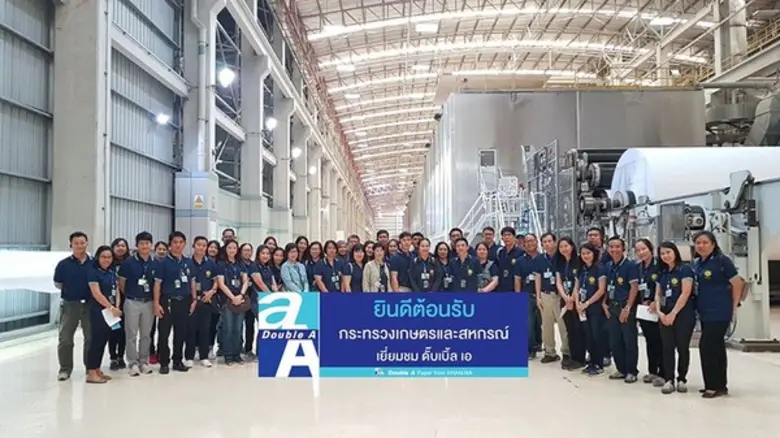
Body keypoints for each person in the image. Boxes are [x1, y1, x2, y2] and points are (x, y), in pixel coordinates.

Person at [692, 231, 744, 399]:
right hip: (705, 311)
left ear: (713, 244)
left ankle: (712, 385)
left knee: (707, 346)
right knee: (717, 347)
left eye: (705, 242)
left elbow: (737, 282)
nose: (701, 246)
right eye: (698, 243)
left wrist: (734, 305)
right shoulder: (698, 263)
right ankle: (720, 385)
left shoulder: (722, 261)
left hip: (720, 310)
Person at [655, 241, 696, 394]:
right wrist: (659, 312)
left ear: (675, 252)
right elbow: (658, 294)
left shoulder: (685, 269)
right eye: (662, 253)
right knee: (667, 348)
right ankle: (669, 379)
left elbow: (685, 293)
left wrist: (673, 313)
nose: (665, 256)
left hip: (683, 314)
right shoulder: (662, 272)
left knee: (682, 347)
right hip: (664, 315)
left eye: (668, 252)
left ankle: (682, 379)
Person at [153, 231, 196, 374]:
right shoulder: (163, 263)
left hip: (184, 301)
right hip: (167, 301)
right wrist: (156, 303)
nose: (178, 245)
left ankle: (177, 360)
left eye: (181, 242)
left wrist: (194, 299)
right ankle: (164, 362)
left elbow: (192, 282)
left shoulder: (188, 262)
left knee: (181, 333)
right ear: (170, 245)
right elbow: (157, 284)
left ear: (184, 244)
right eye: (175, 242)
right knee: (164, 333)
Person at [53, 231, 93, 382]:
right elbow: (58, 284)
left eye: (82, 243)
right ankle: (65, 369)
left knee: (90, 338)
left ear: (87, 243)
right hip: (70, 305)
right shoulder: (63, 265)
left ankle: (90, 368)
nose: (80, 246)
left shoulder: (94, 263)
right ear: (71, 245)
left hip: (89, 305)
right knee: (65, 339)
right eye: (76, 243)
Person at [118, 231, 156, 376]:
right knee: (131, 334)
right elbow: (122, 284)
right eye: (141, 243)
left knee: (146, 334)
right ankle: (133, 363)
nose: (144, 246)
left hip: (149, 302)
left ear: (151, 245)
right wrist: (130, 295)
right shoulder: (128, 263)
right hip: (132, 301)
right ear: (136, 245)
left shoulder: (155, 263)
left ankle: (143, 362)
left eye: (147, 243)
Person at [605, 236, 640, 383]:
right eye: (611, 247)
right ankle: (621, 369)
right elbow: (607, 287)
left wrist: (627, 308)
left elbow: (634, 288)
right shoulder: (608, 266)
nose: (614, 249)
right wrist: (604, 303)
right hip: (612, 307)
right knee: (615, 341)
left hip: (625, 307)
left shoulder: (630, 266)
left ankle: (631, 371)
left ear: (623, 249)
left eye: (617, 246)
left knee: (629, 340)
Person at [85, 245, 121, 384]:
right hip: (99, 311)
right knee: (96, 341)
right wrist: (111, 307)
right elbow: (96, 293)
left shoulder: (111, 272)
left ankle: (97, 369)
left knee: (104, 341)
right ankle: (91, 372)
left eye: (109, 257)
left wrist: (117, 307)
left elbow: (116, 289)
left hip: (111, 312)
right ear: (98, 258)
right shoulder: (93, 272)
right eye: (103, 257)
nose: (107, 260)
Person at [536, 232, 569, 365]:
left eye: (549, 241)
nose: (547, 244)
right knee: (546, 326)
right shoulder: (539, 259)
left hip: (560, 296)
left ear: (555, 242)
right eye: (544, 242)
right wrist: (538, 296)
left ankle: (566, 352)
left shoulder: (562, 257)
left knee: (563, 326)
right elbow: (538, 277)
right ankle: (550, 352)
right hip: (545, 295)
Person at [574, 243, 607, 375]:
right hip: (582, 308)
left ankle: (598, 363)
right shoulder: (581, 269)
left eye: (588, 253)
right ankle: (591, 362)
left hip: (595, 308)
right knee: (588, 336)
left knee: (596, 336)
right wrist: (578, 303)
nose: (586, 256)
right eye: (583, 254)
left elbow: (601, 290)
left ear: (594, 254)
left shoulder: (600, 268)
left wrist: (587, 303)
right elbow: (576, 288)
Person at [635, 238, 664, 386]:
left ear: (650, 249)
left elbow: (663, 285)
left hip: (658, 308)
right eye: (638, 250)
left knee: (660, 341)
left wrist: (655, 302)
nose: (641, 252)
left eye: (644, 249)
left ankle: (663, 372)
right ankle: (652, 370)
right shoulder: (638, 268)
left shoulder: (659, 266)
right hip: (644, 310)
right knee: (650, 340)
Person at [215, 239, 250, 366]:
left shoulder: (241, 264)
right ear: (225, 249)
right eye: (229, 248)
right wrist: (232, 297)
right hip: (227, 301)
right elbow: (221, 283)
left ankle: (237, 354)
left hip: (240, 300)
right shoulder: (221, 264)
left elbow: (245, 281)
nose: (232, 250)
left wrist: (240, 295)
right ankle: (228, 355)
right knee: (228, 328)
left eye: (234, 248)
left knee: (238, 328)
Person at [185, 236, 217, 368]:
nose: (201, 248)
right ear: (193, 246)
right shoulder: (187, 262)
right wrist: (193, 298)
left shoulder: (210, 263)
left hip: (206, 299)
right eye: (199, 245)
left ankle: (204, 356)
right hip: (191, 300)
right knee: (191, 329)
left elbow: (216, 281)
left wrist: (212, 292)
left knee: (205, 328)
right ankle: (189, 356)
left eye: (204, 245)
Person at [556, 237, 583, 370]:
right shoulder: (560, 263)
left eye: (566, 246)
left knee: (578, 330)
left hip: (576, 299)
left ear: (572, 246)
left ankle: (580, 358)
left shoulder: (578, 261)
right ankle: (572, 357)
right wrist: (565, 297)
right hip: (565, 300)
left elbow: (578, 280)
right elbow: (558, 282)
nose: (564, 249)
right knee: (570, 330)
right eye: (561, 247)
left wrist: (572, 297)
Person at [514, 234, 541, 359]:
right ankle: (531, 349)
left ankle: (543, 345)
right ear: (524, 244)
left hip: (543, 295)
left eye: (532, 240)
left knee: (542, 323)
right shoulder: (520, 261)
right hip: (527, 295)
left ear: (536, 241)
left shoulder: (543, 259)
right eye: (527, 241)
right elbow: (517, 280)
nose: (530, 243)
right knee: (528, 323)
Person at [108, 238, 130, 371]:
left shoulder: (130, 263)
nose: (120, 248)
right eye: (118, 245)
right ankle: (113, 357)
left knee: (124, 331)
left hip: (127, 300)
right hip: (111, 302)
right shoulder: (108, 262)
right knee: (113, 330)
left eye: (123, 246)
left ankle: (121, 356)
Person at [148, 240, 168, 364]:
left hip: (165, 300)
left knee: (163, 329)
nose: (161, 251)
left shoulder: (168, 264)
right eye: (159, 249)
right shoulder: (150, 264)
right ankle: (151, 351)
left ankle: (161, 351)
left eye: (164, 249)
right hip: (150, 299)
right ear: (155, 250)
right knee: (150, 328)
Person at [206, 240, 221, 360]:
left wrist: (213, 291)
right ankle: (198, 348)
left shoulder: (220, 264)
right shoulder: (202, 261)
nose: (213, 249)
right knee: (201, 324)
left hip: (216, 297)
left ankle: (210, 347)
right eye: (211, 247)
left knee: (213, 324)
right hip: (203, 296)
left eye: (215, 248)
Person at [495, 226, 523, 292]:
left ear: (514, 237)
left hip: (515, 288)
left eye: (509, 235)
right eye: (504, 235)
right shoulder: (500, 252)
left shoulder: (520, 252)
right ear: (502, 238)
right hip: (501, 288)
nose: (507, 237)